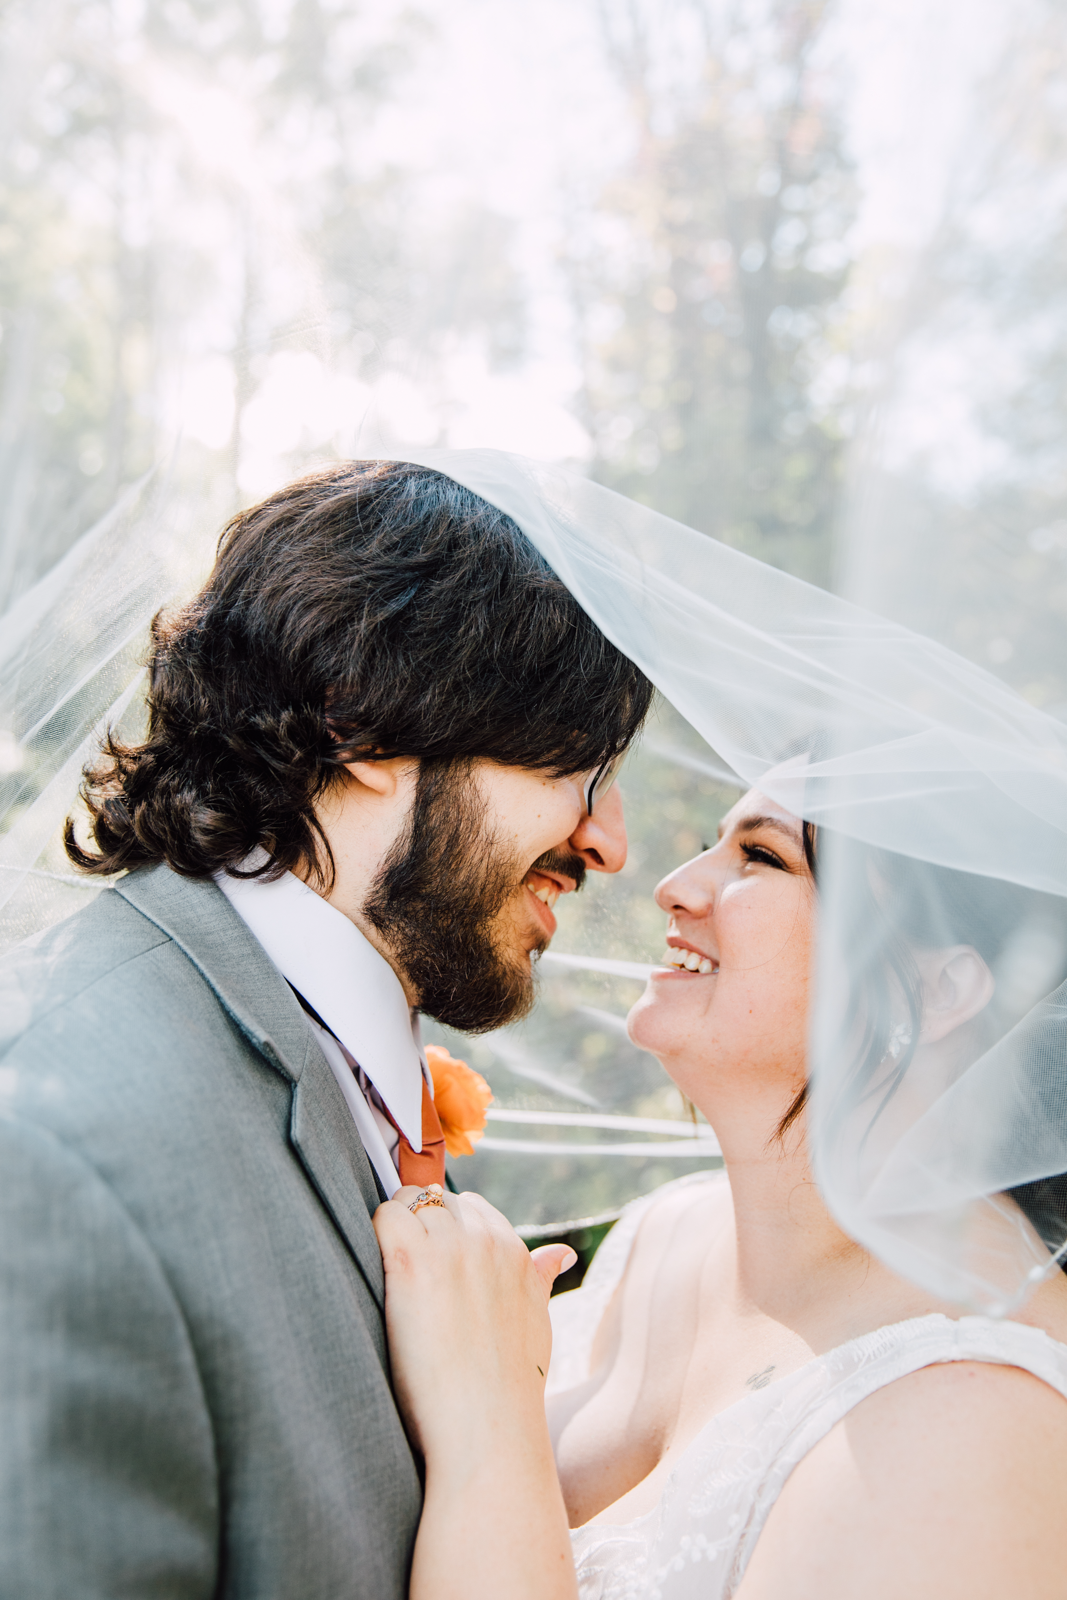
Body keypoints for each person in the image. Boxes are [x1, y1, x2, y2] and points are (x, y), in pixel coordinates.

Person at [0, 460, 652, 1597]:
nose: (610, 843)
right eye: (575, 764)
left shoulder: (336, 1071)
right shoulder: (59, 1151)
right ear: (363, 725)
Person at [374, 780, 1067, 1600]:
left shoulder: (970, 1422)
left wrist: (485, 1428)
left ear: (942, 989)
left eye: (761, 855)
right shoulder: (667, 1232)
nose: (675, 884)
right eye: (715, 841)